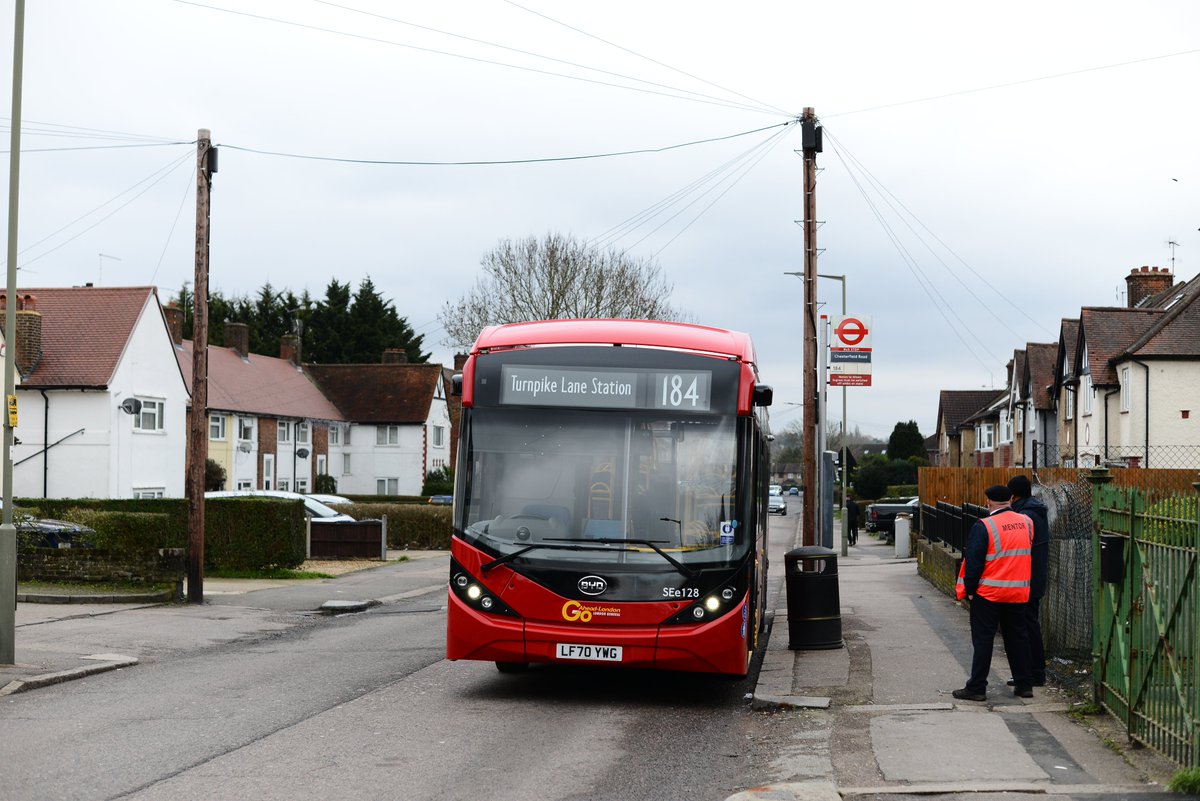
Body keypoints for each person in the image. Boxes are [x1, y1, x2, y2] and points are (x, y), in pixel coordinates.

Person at [952, 484, 1035, 702]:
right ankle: (1024, 684)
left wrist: (970, 591)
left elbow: (974, 563)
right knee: (1018, 637)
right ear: (1010, 500)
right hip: (1018, 591)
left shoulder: (984, 525)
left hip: (989, 593)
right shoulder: (1027, 523)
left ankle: (977, 687)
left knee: (983, 640)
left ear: (988, 503)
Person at [1005, 474, 1050, 687]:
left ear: (1013, 496)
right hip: (1035, 576)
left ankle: (1034, 673)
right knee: (1029, 624)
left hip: (1027, 578)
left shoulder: (1025, 516)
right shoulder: (1034, 511)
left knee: (1026, 626)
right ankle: (1032, 671)